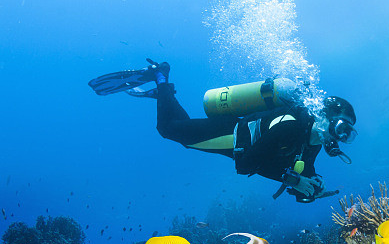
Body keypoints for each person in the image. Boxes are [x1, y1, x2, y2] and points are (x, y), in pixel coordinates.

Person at [89, 59, 357, 202]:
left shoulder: (313, 141)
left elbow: (299, 172)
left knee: (182, 133)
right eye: (341, 128)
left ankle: (163, 93)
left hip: (234, 137)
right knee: (168, 129)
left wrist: (310, 188)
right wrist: (291, 179)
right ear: (324, 116)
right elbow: (247, 164)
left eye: (348, 134)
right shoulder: (291, 124)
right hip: (231, 135)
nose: (340, 137)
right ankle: (160, 77)